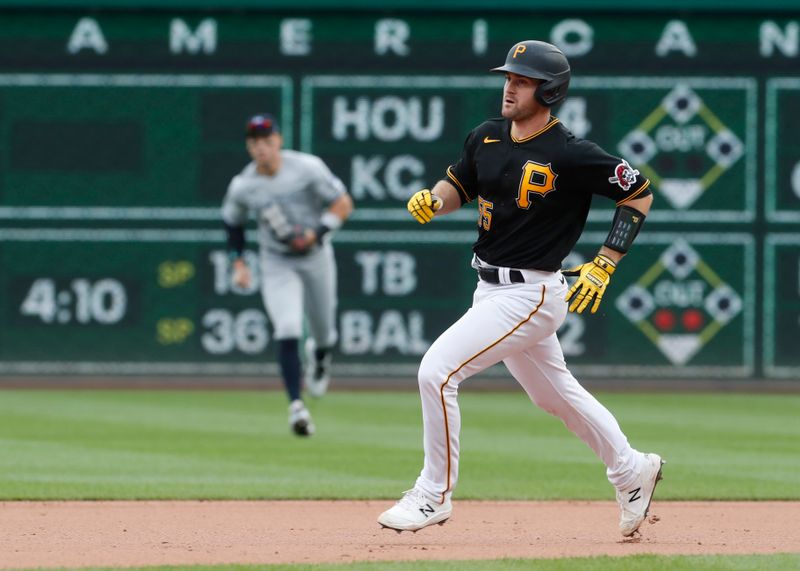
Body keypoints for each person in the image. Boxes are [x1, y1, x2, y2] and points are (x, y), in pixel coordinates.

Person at [377, 40, 663, 536]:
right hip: (489, 288)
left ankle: (432, 495)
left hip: (530, 293)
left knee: (437, 372)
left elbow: (639, 192)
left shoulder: (571, 153)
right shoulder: (486, 136)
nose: (509, 86)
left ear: (549, 90)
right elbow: (458, 186)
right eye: (508, 77)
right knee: (555, 396)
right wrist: (433, 199)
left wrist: (606, 261)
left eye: (522, 80)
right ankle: (631, 468)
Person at [222, 113, 353, 436]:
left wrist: (317, 232)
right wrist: (238, 263)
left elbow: (343, 203)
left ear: (278, 141)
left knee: (323, 332)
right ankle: (296, 406)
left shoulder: (307, 168)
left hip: (315, 256)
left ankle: (320, 356)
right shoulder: (243, 185)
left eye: (267, 140)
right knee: (288, 326)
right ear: (249, 147)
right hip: (277, 261)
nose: (261, 148)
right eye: (254, 142)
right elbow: (233, 222)